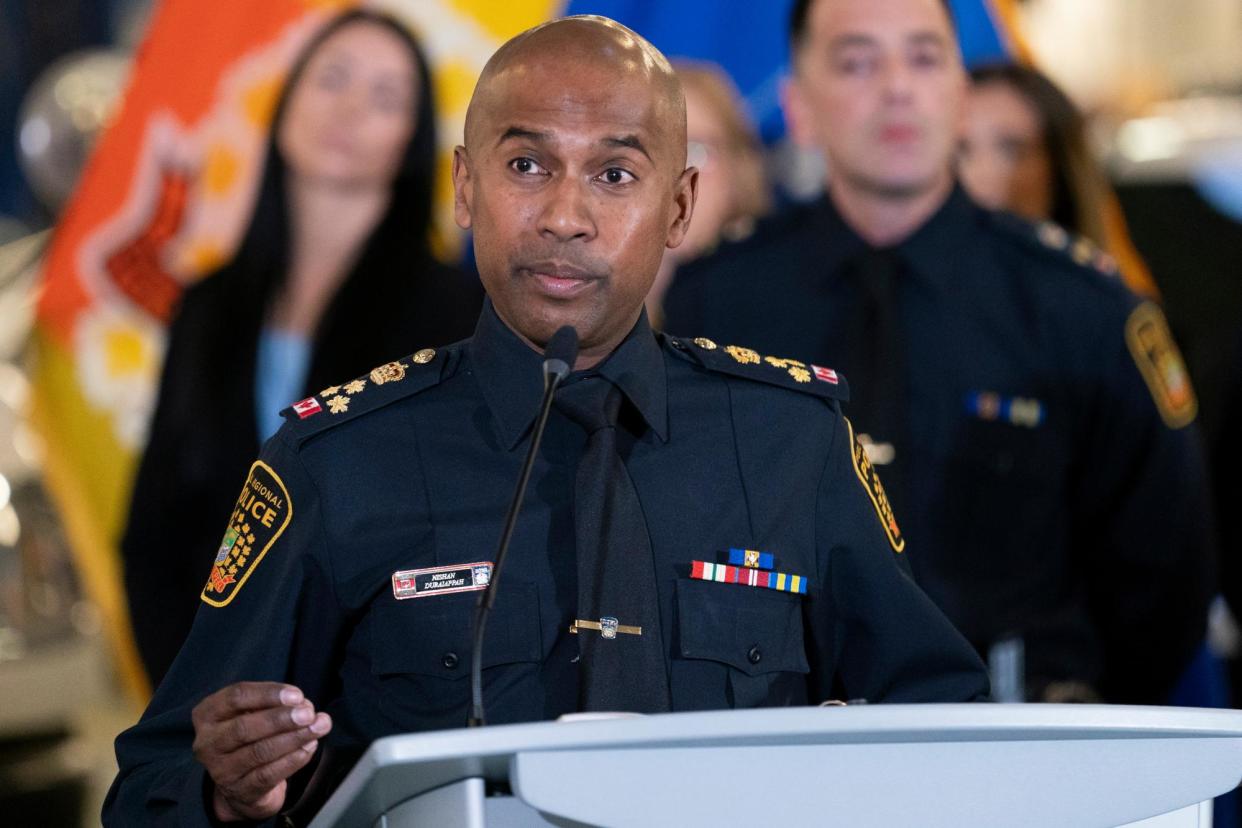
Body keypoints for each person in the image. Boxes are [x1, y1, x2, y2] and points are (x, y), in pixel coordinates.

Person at [103, 16, 988, 826]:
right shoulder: (332, 460)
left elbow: (948, 737)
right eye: (526, 166)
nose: (565, 216)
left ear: (678, 207)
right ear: (462, 186)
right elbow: (151, 784)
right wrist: (226, 794)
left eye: (615, 174)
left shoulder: (794, 444)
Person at [663, 0, 1214, 705]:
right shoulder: (720, 302)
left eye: (924, 58)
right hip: (790, 751)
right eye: (858, 60)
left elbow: (1164, 581)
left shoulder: (1079, 308)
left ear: (961, 96)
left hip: (1025, 755)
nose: (896, 86)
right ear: (799, 108)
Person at [121, 10, 483, 685]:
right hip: (210, 701)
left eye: (384, 97)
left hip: (376, 701)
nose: (347, 109)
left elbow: (448, 546)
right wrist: (188, 709)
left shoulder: (455, 314)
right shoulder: (207, 306)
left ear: (412, 138)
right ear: (286, 99)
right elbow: (153, 538)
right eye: (333, 79)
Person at [957, 61, 1159, 298]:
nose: (977, 174)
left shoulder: (1109, 306)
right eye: (959, 149)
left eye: (1012, 150)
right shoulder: (911, 306)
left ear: (1060, 169)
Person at [645, 60, 771, 326]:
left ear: (739, 170)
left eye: (695, 151)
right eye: (653, 150)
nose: (676, 174)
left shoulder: (781, 307)